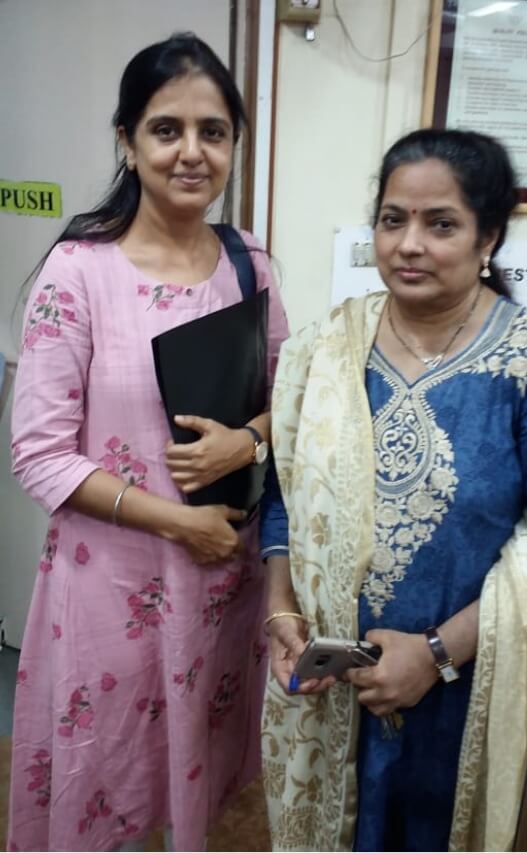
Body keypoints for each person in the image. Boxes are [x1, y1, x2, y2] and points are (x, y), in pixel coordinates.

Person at [259, 128, 527, 852]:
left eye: (440, 224)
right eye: (393, 220)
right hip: (333, 688)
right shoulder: (325, 350)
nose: (409, 244)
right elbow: (286, 492)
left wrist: (436, 653)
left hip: (462, 697)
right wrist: (279, 610)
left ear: (487, 237)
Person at [8, 32, 288, 852]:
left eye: (213, 131)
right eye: (167, 129)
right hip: (114, 588)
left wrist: (245, 442)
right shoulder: (79, 271)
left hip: (222, 582)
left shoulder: (249, 263)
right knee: (109, 779)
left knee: (192, 770)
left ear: (234, 144)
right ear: (127, 142)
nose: (191, 152)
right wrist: (178, 522)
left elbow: (295, 400)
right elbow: (39, 454)